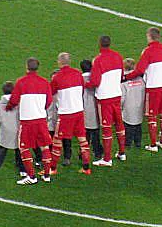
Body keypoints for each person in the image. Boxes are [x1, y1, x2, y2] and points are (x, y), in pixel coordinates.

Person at [5, 57, 54, 185]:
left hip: (27, 121)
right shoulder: (44, 82)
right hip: (41, 120)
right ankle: (47, 175)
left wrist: (8, 107)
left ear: (27, 67)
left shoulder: (21, 82)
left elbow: (14, 100)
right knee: (44, 146)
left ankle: (31, 177)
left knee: (24, 147)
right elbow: (49, 101)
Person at [125, 27, 162, 151]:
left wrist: (126, 76)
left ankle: (153, 145)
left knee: (152, 116)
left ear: (149, 36)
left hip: (154, 88)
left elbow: (139, 70)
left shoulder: (148, 51)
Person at [50, 52, 92, 173]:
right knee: (82, 139)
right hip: (79, 111)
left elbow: (50, 92)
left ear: (59, 62)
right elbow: (82, 89)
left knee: (57, 140)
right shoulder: (78, 74)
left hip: (66, 114)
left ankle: (52, 168)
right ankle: (86, 168)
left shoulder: (57, 77)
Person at [89, 34, 127, 165]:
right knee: (119, 123)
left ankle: (107, 158)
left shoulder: (98, 60)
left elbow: (95, 81)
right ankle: (122, 153)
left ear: (100, 44)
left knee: (106, 127)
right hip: (117, 94)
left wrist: (85, 84)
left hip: (104, 98)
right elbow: (122, 75)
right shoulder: (118, 56)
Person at [0, 81, 25, 178]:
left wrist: (2, 123)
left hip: (5, 131)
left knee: (1, 150)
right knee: (20, 150)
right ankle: (22, 170)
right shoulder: (20, 102)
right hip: (18, 129)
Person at [122, 59, 145, 148]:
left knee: (128, 126)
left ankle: (128, 143)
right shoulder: (141, 79)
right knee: (138, 125)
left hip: (128, 106)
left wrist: (120, 107)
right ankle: (138, 142)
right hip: (139, 105)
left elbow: (122, 97)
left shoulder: (123, 80)